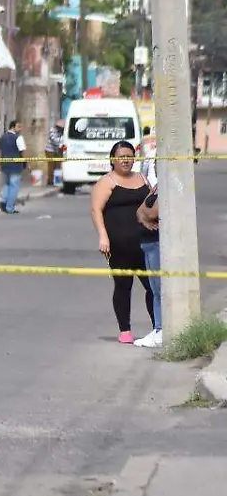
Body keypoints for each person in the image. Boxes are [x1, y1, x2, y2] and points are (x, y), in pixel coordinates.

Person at [90, 140, 156, 344]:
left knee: (153, 286)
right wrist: (103, 236)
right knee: (123, 285)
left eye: (129, 156)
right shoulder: (106, 182)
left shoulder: (142, 178)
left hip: (144, 243)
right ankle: (125, 330)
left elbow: (151, 204)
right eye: (121, 157)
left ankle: (158, 327)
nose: (125, 160)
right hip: (119, 245)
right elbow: (96, 210)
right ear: (113, 159)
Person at [134, 149, 162, 348]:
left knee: (159, 289)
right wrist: (144, 218)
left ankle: (162, 329)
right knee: (154, 289)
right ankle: (158, 328)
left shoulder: (168, 187)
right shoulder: (157, 187)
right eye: (156, 163)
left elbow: (153, 213)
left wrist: (146, 216)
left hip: (157, 242)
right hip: (148, 243)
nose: (158, 166)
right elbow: (140, 211)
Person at [0, 120, 27, 214]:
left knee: (6, 184)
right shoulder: (18, 138)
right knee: (14, 186)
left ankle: (3, 201)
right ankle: (10, 207)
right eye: (18, 127)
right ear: (13, 127)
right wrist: (27, 163)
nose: (20, 129)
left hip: (5, 165)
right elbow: (23, 151)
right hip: (15, 165)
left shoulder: (2, 137)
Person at [45, 118, 64, 187]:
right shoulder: (52, 130)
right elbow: (55, 140)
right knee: (51, 166)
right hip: (50, 150)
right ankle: (50, 181)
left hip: (58, 150)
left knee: (58, 166)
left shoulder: (62, 132)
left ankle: (57, 181)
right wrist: (62, 141)